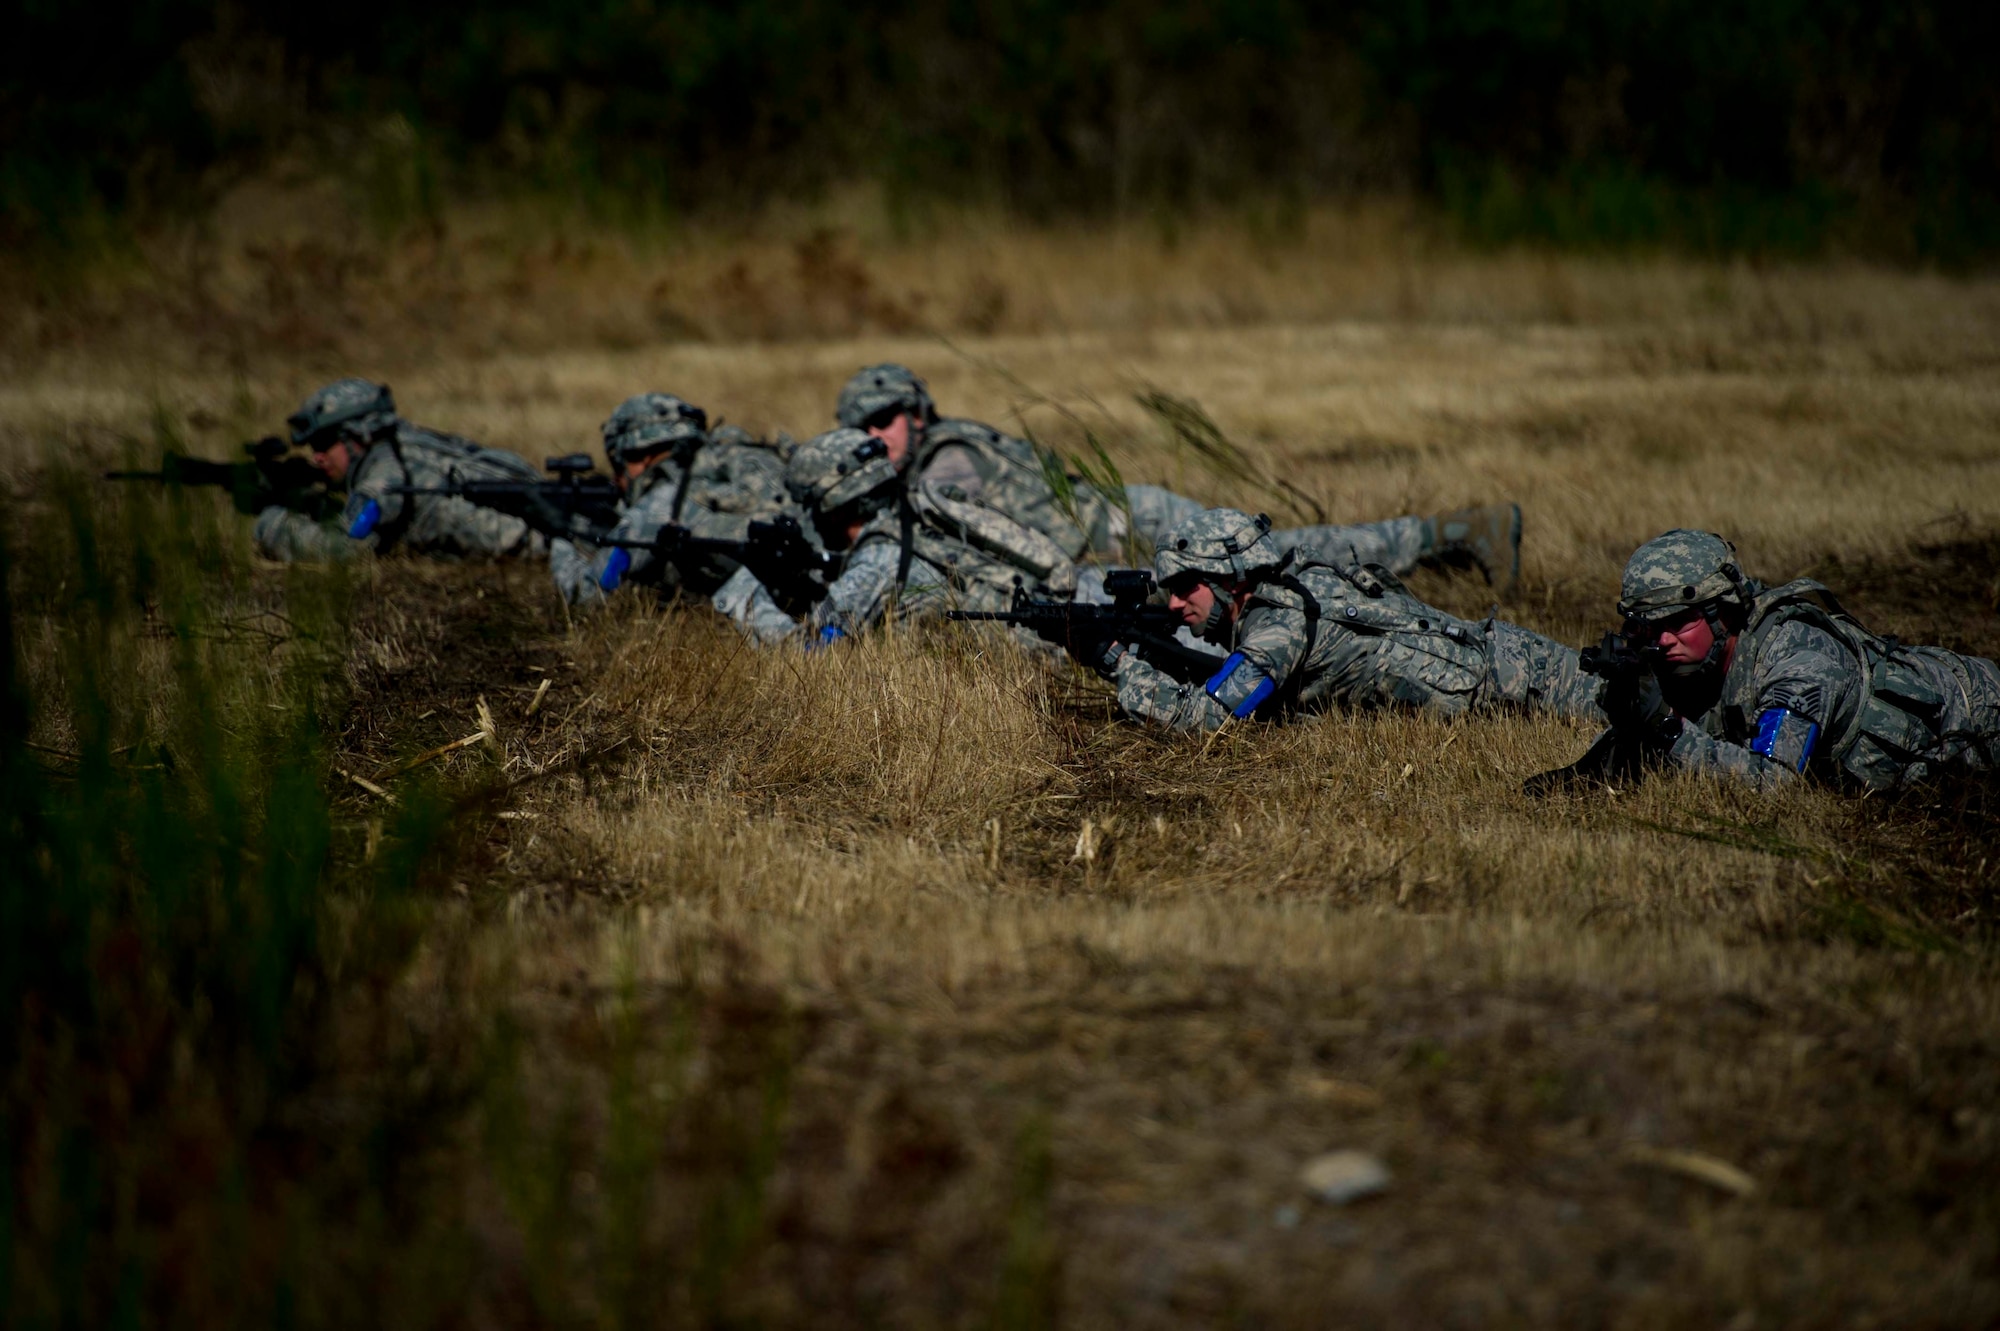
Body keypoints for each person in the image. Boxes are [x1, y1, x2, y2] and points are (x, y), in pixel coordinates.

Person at [833, 362, 1527, 592]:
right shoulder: (930, 454)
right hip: (1121, 528)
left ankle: (1455, 532)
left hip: (1131, 530)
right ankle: (1446, 545)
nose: (875, 433)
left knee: (1284, 561)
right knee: (1281, 566)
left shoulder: (946, 460)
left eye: (886, 417)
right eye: (862, 425)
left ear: (918, 413)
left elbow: (967, 535)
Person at [1084, 507, 1602, 732]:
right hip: (1508, 660)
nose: (1174, 605)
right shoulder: (1285, 590)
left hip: (1519, 685)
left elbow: (1210, 723)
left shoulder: (1278, 625)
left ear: (1230, 577)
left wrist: (1120, 666)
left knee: (1668, 735)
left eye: (1184, 588)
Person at [1579, 529, 2000, 790]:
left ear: (1723, 611)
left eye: (1677, 622)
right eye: (1649, 627)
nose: (1663, 639)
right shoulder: (1692, 658)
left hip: (1983, 715)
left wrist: (1667, 727)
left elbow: (1774, 784)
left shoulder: (1799, 661)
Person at [713, 427, 1079, 646]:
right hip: (1064, 611)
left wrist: (744, 597)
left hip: (1054, 647)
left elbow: (809, 653)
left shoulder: (879, 564)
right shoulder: (919, 512)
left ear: (833, 502)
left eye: (809, 503)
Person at [255, 378, 545, 561]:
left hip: (544, 543)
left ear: (359, 436)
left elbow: (346, 547)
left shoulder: (384, 479)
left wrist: (273, 524)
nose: (317, 457)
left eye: (324, 443)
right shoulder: (406, 445)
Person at [551, 393, 791, 606]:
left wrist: (559, 534)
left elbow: (585, 594)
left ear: (643, 457)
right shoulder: (736, 462)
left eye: (619, 463)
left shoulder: (663, 503)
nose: (616, 479)